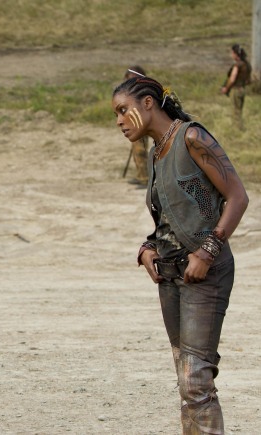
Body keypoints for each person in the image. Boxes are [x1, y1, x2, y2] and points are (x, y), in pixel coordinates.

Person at [112, 75, 248, 434]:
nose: (119, 120)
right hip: (172, 277)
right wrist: (147, 249)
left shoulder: (191, 138)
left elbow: (237, 197)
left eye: (124, 110)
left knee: (196, 379)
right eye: (116, 114)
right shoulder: (158, 153)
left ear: (147, 104)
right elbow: (172, 218)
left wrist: (208, 250)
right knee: (186, 377)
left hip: (205, 272)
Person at [122, 65, 150, 187]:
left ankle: (145, 178)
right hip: (133, 123)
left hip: (141, 124)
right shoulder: (131, 92)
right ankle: (141, 175)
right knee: (136, 150)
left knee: (140, 151)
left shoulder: (143, 92)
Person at [220, 43, 251, 130]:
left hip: (236, 90)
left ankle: (238, 129)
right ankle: (239, 127)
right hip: (243, 89)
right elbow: (249, 80)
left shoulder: (237, 65)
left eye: (232, 53)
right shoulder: (247, 64)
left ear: (235, 54)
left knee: (236, 111)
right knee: (239, 110)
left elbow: (232, 79)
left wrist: (226, 88)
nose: (231, 55)